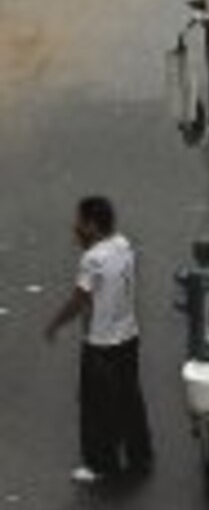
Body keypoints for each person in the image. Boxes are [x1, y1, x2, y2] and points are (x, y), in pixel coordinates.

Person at [44, 196, 153, 485]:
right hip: (128, 336)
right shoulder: (123, 244)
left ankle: (101, 464)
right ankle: (140, 453)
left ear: (92, 225)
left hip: (101, 343)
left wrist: (55, 324)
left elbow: (79, 300)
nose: (75, 227)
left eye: (79, 221)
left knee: (96, 406)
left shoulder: (92, 259)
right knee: (129, 397)